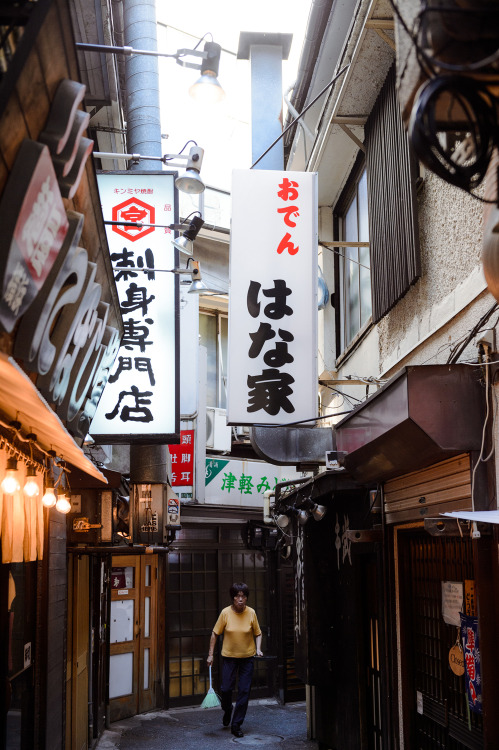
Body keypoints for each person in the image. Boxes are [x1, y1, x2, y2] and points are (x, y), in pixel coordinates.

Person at [207, 582, 263, 738]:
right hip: (229, 658)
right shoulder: (225, 613)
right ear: (233, 598)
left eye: (243, 596)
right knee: (226, 689)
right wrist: (211, 654)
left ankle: (236, 724)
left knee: (244, 691)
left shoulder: (251, 613)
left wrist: (258, 648)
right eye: (237, 596)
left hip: (247, 659)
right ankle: (227, 709)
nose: (240, 599)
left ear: (246, 598)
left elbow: (258, 633)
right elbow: (214, 633)